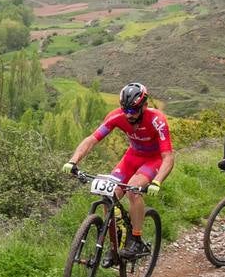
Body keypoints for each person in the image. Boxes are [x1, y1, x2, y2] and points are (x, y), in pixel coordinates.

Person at [63, 81, 175, 259]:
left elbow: (168, 157)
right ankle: (116, 244)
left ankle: (137, 240)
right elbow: (92, 139)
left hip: (153, 160)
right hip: (132, 157)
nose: (129, 115)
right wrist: (73, 161)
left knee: (133, 190)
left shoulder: (157, 120)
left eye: (133, 110)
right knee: (109, 195)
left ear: (144, 106)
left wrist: (157, 181)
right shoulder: (116, 116)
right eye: (125, 110)